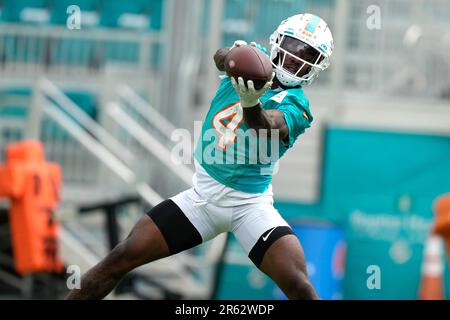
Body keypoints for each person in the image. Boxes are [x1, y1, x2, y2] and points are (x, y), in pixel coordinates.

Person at [66, 13, 334, 300]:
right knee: (121, 257)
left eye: (308, 54)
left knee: (298, 285)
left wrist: (250, 101)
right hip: (202, 199)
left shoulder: (298, 106)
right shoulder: (256, 58)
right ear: (279, 40)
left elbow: (265, 126)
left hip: (250, 206)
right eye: (293, 46)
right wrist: (234, 56)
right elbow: (220, 57)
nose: (296, 58)